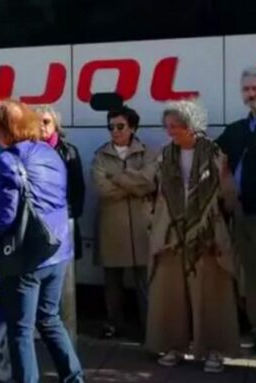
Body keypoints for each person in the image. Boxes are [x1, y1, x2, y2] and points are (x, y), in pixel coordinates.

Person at [0, 100, 84, 383]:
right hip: (56, 251)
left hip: (25, 256)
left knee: (20, 329)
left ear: (5, 130)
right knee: (50, 319)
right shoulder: (51, 154)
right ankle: (74, 378)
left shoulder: (7, 160)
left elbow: (3, 215)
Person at [146, 100, 239, 373]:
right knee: (169, 293)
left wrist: (212, 222)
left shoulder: (214, 154)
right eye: (168, 126)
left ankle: (213, 350)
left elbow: (228, 194)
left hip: (207, 235)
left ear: (191, 126)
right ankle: (173, 346)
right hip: (171, 233)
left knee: (211, 294)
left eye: (176, 126)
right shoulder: (165, 155)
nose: (170, 131)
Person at [216, 67, 256, 355]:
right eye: (246, 89)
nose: (251, 94)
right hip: (241, 213)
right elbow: (213, 153)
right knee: (251, 278)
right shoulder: (236, 129)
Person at [91, 105, 156, 339]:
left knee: (145, 281)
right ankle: (114, 323)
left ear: (132, 127)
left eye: (120, 126)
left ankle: (149, 327)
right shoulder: (101, 154)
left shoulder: (146, 152)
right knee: (112, 282)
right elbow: (102, 189)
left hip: (141, 226)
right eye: (111, 127)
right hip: (112, 226)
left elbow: (150, 182)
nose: (115, 131)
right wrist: (133, 185)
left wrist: (116, 178)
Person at [35, 105, 85, 341]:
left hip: (63, 223)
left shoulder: (69, 152)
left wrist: (67, 218)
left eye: (46, 121)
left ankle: (68, 331)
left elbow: (78, 190)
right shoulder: (29, 150)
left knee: (65, 284)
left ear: (56, 125)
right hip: (35, 225)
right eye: (37, 122)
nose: (41, 126)